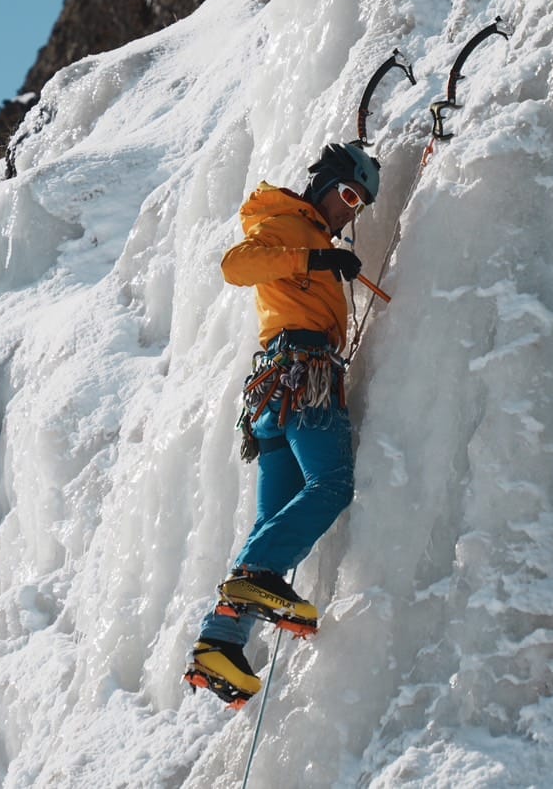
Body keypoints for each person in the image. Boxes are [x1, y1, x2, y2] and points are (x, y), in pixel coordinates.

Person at [183, 143, 381, 708]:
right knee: (332, 485)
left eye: (359, 205)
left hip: (277, 392)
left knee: (274, 520)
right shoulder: (288, 222)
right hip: (304, 375)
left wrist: (323, 258)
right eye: (347, 195)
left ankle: (219, 643)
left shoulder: (308, 232)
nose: (351, 211)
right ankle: (258, 580)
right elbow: (235, 266)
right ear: (324, 185)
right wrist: (316, 259)